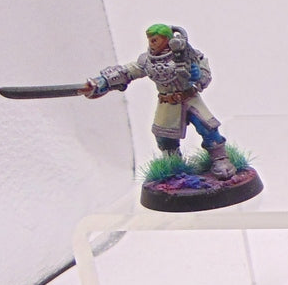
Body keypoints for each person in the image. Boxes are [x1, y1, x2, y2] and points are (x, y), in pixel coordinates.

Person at [87, 25, 235, 178]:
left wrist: (198, 74)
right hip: (167, 102)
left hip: (190, 98)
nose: (151, 43)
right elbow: (128, 71)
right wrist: (103, 81)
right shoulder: (147, 61)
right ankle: (174, 164)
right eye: (150, 40)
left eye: (155, 40)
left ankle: (220, 159)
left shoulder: (188, 54)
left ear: (167, 40)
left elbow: (204, 73)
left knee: (207, 127)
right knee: (164, 137)